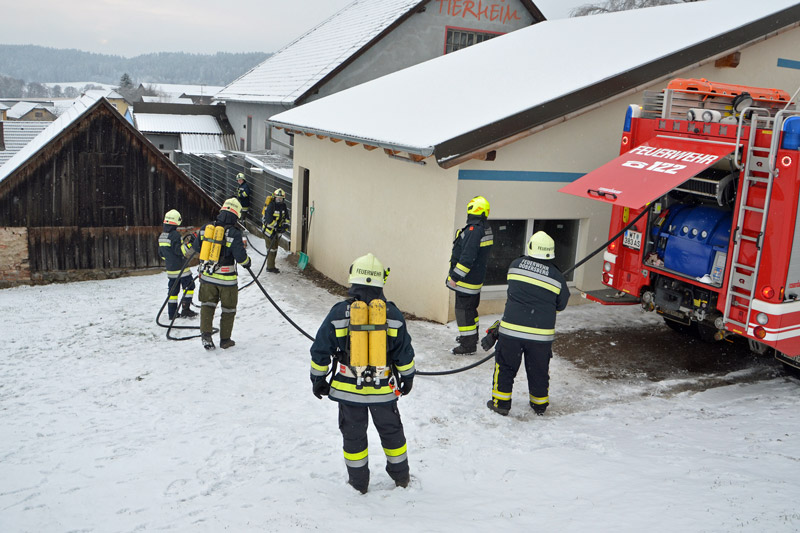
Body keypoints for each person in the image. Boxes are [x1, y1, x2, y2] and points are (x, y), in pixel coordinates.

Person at [310, 253, 415, 494]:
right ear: (381, 281)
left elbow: (320, 349)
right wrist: (407, 378)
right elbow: (404, 353)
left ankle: (358, 484)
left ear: (352, 279)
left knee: (354, 437)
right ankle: (401, 478)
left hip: (349, 391)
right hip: (383, 391)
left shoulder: (338, 313)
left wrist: (318, 379)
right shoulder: (393, 315)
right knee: (392, 433)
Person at [486, 231, 569, 417]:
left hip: (511, 333)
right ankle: (539, 405)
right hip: (540, 336)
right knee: (539, 370)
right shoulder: (557, 276)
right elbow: (561, 304)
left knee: (505, 367)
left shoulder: (515, 266)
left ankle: (501, 403)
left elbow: (514, 290)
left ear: (531, 248)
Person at [192, 198, 252, 350]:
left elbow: (197, 247)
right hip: (227, 280)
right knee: (228, 310)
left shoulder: (206, 228)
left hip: (207, 276)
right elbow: (240, 257)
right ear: (235, 215)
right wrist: (247, 262)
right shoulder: (234, 233)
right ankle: (225, 340)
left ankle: (205, 336)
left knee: (207, 305)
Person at [446, 196, 493, 354]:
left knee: (464, 312)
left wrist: (454, 277)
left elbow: (467, 257)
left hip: (466, 281)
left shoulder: (474, 230)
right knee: (471, 311)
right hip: (475, 279)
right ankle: (471, 338)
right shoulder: (485, 228)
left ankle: (467, 345)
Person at [158, 209, 198, 320]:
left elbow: (161, 253)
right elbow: (180, 251)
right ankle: (186, 309)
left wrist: (170, 260)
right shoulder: (174, 235)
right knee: (190, 287)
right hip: (181, 270)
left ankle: (172, 314)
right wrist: (190, 244)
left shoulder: (162, 236)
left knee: (173, 292)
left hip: (171, 270)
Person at [261, 188, 290, 273]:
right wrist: (277, 226)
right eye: (277, 198)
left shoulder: (284, 206)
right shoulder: (271, 206)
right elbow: (269, 220)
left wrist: (285, 226)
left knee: (275, 249)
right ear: (274, 198)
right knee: (271, 250)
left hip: (277, 232)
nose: (279, 200)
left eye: (281, 199)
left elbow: (287, 218)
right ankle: (270, 267)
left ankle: (271, 265)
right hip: (269, 231)